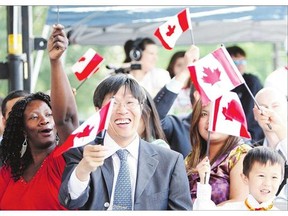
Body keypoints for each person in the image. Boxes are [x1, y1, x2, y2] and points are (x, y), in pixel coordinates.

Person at [58, 73, 193, 210]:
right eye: (113, 103)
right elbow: (70, 200)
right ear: (98, 111)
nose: (122, 110)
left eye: (130, 102)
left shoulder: (170, 161)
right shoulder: (82, 152)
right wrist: (83, 169)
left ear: (141, 108)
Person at [0, 24, 78, 210]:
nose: (44, 120)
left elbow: (66, 119)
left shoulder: (63, 159)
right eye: (34, 117)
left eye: (49, 114)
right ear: (23, 129)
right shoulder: (10, 171)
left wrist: (55, 61)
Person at [185, 98, 252, 206]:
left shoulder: (242, 154)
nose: (211, 121)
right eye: (204, 114)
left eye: (220, 114)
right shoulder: (191, 158)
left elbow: (239, 203)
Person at [193, 146, 285, 210]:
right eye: (261, 175)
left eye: (274, 177)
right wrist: (204, 182)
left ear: (281, 180)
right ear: (245, 178)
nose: (267, 183)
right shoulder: (231, 209)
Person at [153, 45, 200, 157]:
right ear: (195, 97)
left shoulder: (231, 131)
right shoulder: (178, 126)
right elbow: (155, 116)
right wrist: (184, 72)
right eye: (204, 113)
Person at [253, 87, 287, 209]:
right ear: (255, 115)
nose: (269, 112)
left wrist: (281, 132)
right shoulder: (251, 152)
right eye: (263, 107)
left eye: (275, 106)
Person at [227, 45, 264, 144]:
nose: (240, 65)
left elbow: (248, 111)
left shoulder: (251, 81)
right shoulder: (223, 85)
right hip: (230, 135)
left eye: (242, 62)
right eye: (235, 62)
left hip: (252, 136)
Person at [166, 51, 192, 116]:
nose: (183, 69)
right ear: (172, 67)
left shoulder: (197, 89)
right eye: (179, 65)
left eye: (186, 65)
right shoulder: (167, 88)